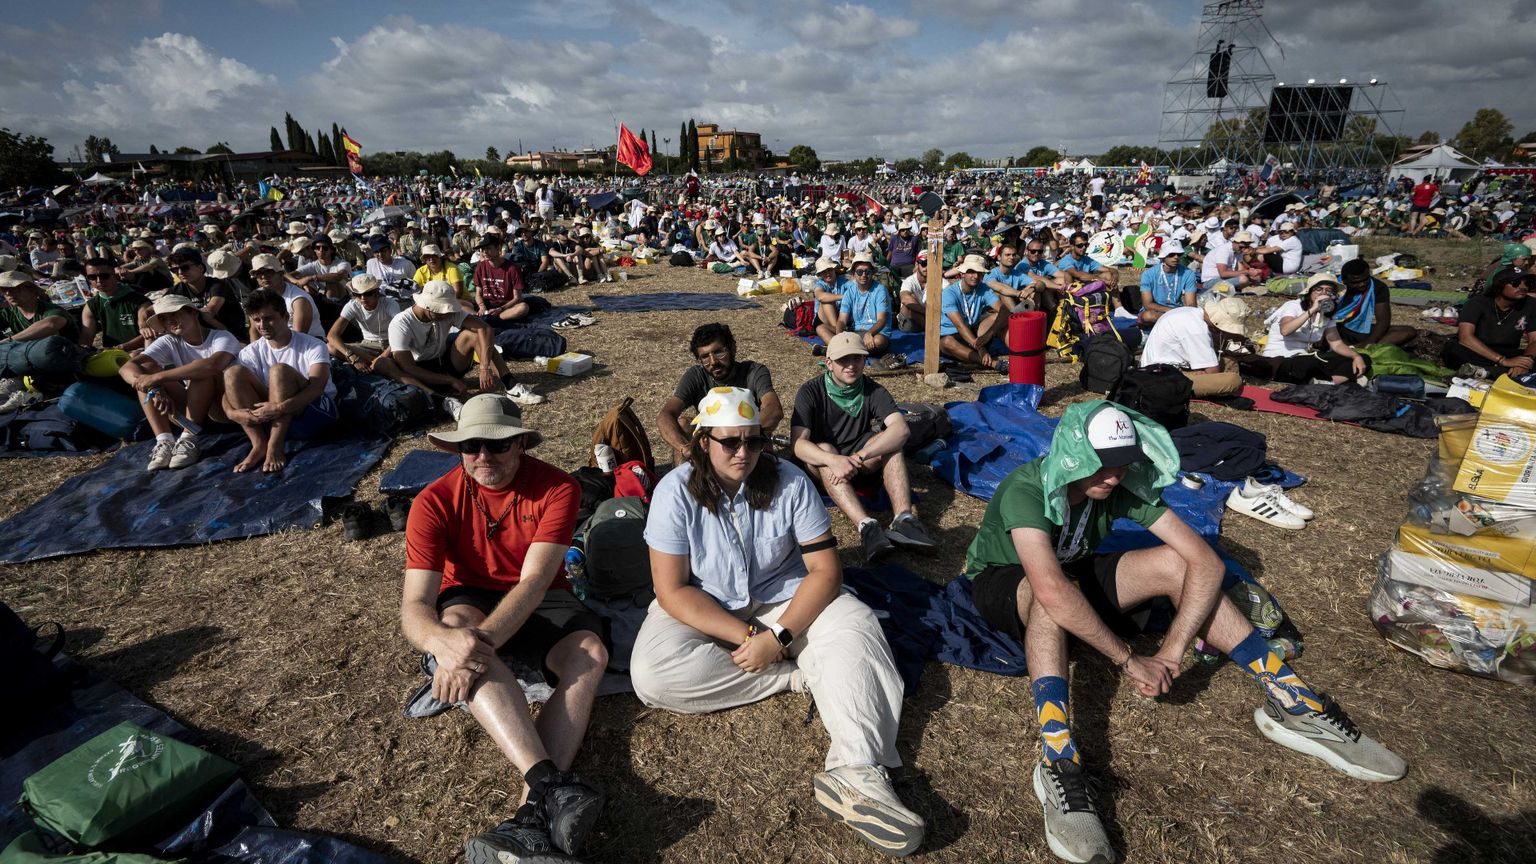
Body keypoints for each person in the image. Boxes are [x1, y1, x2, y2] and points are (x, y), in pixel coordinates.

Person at [963, 400, 1406, 864]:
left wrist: (1172, 651)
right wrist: (1129, 659)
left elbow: (1204, 562)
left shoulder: (1117, 484)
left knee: (1177, 565)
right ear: (1075, 454)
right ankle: (1059, 760)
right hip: (1003, 583)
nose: (1112, 477)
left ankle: (1295, 700)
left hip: (1072, 573)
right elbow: (1051, 589)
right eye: (1100, 464)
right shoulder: (1025, 489)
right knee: (1052, 598)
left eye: (1120, 464)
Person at [630, 387, 926, 857]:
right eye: (730, 441)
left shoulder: (789, 481)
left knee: (855, 626)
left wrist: (782, 632)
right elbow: (672, 591)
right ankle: (798, 677)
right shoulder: (675, 491)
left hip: (784, 599)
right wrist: (753, 638)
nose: (744, 452)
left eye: (754, 440)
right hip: (708, 606)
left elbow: (826, 571)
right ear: (703, 441)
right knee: (652, 674)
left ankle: (858, 770)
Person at [401, 394, 609, 864]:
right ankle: (548, 787)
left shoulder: (557, 487)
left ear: (520, 444)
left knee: (590, 652)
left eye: (496, 445)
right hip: (469, 595)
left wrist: (470, 654)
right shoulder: (432, 502)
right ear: (457, 450)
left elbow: (535, 581)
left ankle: (527, 821)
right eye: (470, 446)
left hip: (541, 593)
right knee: (454, 623)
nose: (482, 457)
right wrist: (442, 645)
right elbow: (415, 605)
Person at [791, 332, 935, 562]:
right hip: (827, 464)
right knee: (826, 449)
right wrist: (834, 460)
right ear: (829, 363)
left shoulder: (872, 389)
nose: (851, 366)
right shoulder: (810, 392)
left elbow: (901, 429)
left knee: (892, 444)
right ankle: (866, 526)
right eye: (843, 360)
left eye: (857, 359)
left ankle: (903, 519)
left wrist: (860, 455)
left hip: (859, 460)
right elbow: (798, 444)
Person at [222, 289, 338, 473]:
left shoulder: (313, 345)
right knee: (232, 373)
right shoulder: (251, 351)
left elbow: (317, 387)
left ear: (285, 316)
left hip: (312, 411)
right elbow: (228, 390)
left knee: (279, 370)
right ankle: (259, 444)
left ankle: (275, 446)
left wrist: (280, 408)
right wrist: (231, 413)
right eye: (257, 320)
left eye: (269, 318)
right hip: (273, 414)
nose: (262, 325)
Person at [120, 294, 240, 471]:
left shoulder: (222, 337)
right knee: (144, 375)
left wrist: (158, 378)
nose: (171, 321)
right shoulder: (169, 340)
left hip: (222, 411)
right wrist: (153, 386)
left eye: (174, 314)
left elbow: (213, 365)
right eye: (164, 319)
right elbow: (127, 367)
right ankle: (165, 440)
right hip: (192, 411)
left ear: (192, 312)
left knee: (199, 371)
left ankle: (188, 439)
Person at [387, 280, 541, 406]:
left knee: (472, 335)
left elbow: (485, 329)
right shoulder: (401, 323)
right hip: (422, 373)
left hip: (444, 362)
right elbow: (409, 368)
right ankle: (444, 393)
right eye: (442, 311)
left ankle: (511, 385)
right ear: (427, 306)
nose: (446, 314)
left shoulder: (446, 314)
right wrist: (449, 380)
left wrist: (484, 367)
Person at [656, 323, 782, 465]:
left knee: (764, 444)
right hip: (712, 440)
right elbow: (665, 415)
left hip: (747, 440)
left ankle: (762, 484)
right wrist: (684, 448)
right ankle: (683, 479)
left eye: (718, 352)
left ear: (733, 348)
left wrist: (742, 438)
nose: (713, 362)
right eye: (705, 357)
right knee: (683, 424)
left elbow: (773, 409)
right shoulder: (695, 375)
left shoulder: (754, 371)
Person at [1239, 273, 1368, 385]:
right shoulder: (1293, 306)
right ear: (1309, 292)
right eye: (1319, 289)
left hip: (1305, 358)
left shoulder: (1327, 315)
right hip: (1280, 360)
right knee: (1310, 363)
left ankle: (1327, 383)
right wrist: (1312, 310)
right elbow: (1286, 330)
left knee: (1363, 358)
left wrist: (1355, 356)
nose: (1323, 294)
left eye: (1329, 291)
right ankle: (1340, 379)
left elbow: (1336, 344)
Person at [1139, 297, 1247, 398]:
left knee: (1229, 362)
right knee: (1233, 380)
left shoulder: (1190, 312)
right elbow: (1213, 371)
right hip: (1162, 378)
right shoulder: (1197, 330)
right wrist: (1204, 373)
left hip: (1162, 367)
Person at [1442, 267, 1536, 377]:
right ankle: (1497, 371)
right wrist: (1502, 360)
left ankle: (1484, 372)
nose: (1523, 287)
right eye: (1516, 283)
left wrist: (1525, 362)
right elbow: (1465, 337)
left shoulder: (1531, 305)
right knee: (1455, 350)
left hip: (1507, 351)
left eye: (1527, 283)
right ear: (1499, 287)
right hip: (1476, 349)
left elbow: (1534, 339)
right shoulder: (1477, 303)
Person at [938, 254, 1009, 372]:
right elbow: (960, 326)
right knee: (946, 342)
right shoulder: (949, 293)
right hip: (953, 334)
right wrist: (980, 347)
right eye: (971, 272)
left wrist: (989, 334)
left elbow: (1004, 310)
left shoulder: (983, 288)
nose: (975, 276)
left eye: (979, 273)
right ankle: (993, 364)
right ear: (963, 273)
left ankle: (1016, 351)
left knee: (997, 316)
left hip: (973, 332)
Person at [326, 274, 403, 377]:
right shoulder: (352, 305)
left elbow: (402, 333)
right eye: (357, 294)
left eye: (368, 293)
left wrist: (383, 356)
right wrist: (352, 356)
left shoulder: (389, 304)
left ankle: (373, 364)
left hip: (391, 343)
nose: (362, 298)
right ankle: (373, 362)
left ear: (376, 292)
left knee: (396, 358)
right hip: (368, 345)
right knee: (330, 347)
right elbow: (332, 335)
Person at [1333, 259, 1418, 348]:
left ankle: (1361, 348)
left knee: (1408, 331)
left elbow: (1383, 321)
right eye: (1356, 282)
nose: (1362, 284)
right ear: (1344, 280)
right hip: (1334, 329)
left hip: (1359, 328)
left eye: (1365, 279)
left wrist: (1367, 343)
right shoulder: (1332, 286)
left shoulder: (1378, 287)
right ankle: (1348, 348)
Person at [166, 249, 247, 338]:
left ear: (200, 267)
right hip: (201, 335)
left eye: (185, 267)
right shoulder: (177, 289)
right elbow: (153, 310)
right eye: (175, 270)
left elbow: (211, 310)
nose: (180, 272)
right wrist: (147, 324)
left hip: (229, 335)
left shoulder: (218, 284)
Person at [247, 254, 324, 340]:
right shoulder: (256, 298)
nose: (263, 277)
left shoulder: (299, 300)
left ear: (280, 274)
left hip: (309, 343)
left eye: (268, 272)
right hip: (276, 342)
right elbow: (254, 330)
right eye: (258, 273)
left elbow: (297, 337)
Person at [79, 257, 151, 350]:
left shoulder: (140, 302)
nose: (98, 281)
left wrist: (121, 348)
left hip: (139, 351)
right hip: (111, 354)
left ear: (115, 275)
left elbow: (149, 333)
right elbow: (87, 337)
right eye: (92, 277)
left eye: (104, 276)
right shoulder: (91, 305)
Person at [833, 253, 893, 357]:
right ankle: (847, 348)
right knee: (822, 329)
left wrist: (869, 333)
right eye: (859, 272)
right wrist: (839, 337)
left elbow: (882, 320)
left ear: (872, 273)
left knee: (877, 341)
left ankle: (842, 350)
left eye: (867, 272)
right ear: (854, 274)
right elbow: (842, 320)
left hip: (877, 332)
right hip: (857, 332)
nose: (863, 275)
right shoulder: (850, 292)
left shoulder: (880, 290)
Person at [473, 236, 541, 325]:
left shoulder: (512, 268)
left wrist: (501, 309)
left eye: (488, 248)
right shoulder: (480, 266)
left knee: (523, 308)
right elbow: (478, 293)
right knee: (461, 303)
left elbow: (517, 298)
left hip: (506, 306)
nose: (485, 252)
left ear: (498, 248)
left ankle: (489, 319)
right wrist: (482, 307)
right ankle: (487, 317)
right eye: (482, 249)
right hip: (487, 304)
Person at [1137, 243, 1197, 327]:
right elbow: (1148, 304)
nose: (1176, 257)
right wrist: (1171, 311)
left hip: (1177, 311)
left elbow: (1191, 305)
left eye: (1179, 254)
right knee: (1149, 316)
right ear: (1163, 256)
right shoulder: (1148, 274)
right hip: (1157, 311)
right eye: (1171, 254)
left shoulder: (1188, 273)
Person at [291, 235, 353, 301]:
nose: (321, 250)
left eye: (325, 248)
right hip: (323, 295)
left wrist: (311, 278)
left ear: (331, 250)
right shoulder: (313, 265)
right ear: (314, 250)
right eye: (318, 248)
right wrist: (298, 282)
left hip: (345, 296)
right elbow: (288, 275)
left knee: (331, 282)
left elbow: (338, 276)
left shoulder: (342, 263)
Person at [897, 250, 933, 333]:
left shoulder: (939, 281)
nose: (927, 268)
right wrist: (927, 312)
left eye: (930, 264)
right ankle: (931, 329)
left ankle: (930, 328)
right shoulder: (909, 281)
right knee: (908, 304)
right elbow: (905, 299)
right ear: (917, 264)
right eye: (924, 264)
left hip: (928, 318)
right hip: (910, 321)